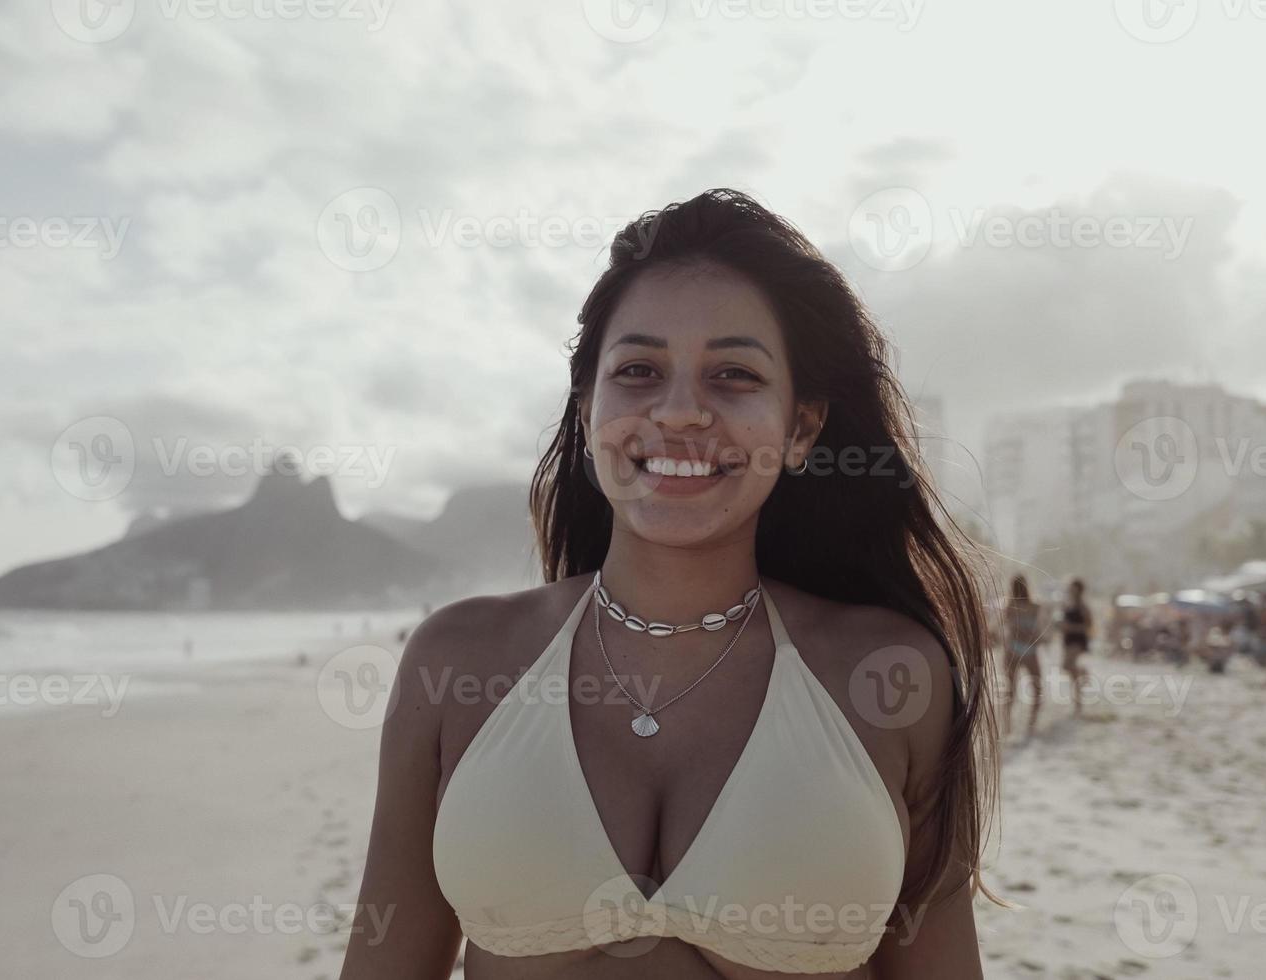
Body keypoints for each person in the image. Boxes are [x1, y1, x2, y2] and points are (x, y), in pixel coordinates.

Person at [340, 189, 996, 978]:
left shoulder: (890, 675)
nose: (681, 412)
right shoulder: (460, 662)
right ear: (587, 411)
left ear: (801, 428)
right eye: (641, 370)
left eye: (734, 375)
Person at [1002, 575, 1044, 739]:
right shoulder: (1036, 606)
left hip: (1012, 650)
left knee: (1010, 690)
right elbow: (1038, 631)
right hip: (1030, 651)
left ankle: (1007, 725)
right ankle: (1031, 724)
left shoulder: (1009, 606)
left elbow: (1009, 629)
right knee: (1037, 689)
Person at [1060, 578, 1092, 714]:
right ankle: (1082, 675)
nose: (1070, 590)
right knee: (1070, 669)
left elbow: (1088, 625)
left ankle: (1083, 674)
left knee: (1067, 666)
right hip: (1068, 640)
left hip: (1077, 640)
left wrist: (1071, 627)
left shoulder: (1083, 606)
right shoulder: (1069, 604)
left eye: (1073, 588)